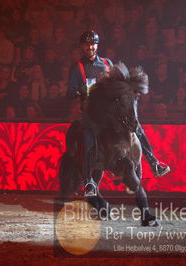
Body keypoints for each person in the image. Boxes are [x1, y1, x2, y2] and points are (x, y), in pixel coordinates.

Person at [67, 30, 170, 197]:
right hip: (91, 113)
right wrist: (82, 90)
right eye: (87, 45)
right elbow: (69, 93)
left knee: (136, 127)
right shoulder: (77, 68)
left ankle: (154, 163)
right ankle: (88, 183)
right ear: (82, 46)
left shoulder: (107, 63)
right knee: (87, 141)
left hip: (111, 112)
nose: (90, 47)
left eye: (93, 44)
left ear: (97, 45)